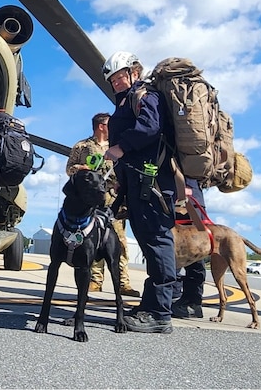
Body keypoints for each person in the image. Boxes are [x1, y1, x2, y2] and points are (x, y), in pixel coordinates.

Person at [102, 51, 177, 334]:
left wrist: (120, 148)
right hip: (138, 182)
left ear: (134, 71)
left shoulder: (146, 95)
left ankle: (159, 313)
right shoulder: (129, 99)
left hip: (152, 183)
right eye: (112, 80)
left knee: (157, 241)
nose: (116, 83)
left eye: (120, 77)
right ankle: (152, 305)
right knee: (148, 241)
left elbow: (150, 127)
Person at [65, 112, 140, 297]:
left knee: (119, 241)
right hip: (91, 202)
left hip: (114, 201)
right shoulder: (82, 146)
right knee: (93, 240)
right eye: (109, 124)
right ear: (101, 126)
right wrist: (82, 169)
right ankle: (95, 280)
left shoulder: (118, 147)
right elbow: (69, 169)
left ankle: (123, 283)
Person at [173, 177, 207, 319]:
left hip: (189, 197)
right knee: (172, 250)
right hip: (178, 196)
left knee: (195, 251)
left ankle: (192, 303)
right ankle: (174, 299)